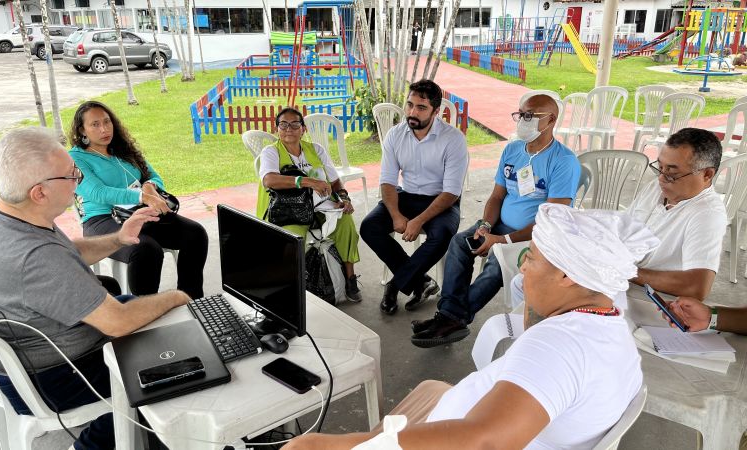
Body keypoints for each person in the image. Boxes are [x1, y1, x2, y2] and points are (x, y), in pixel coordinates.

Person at [284, 204, 657, 449]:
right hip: (470, 415)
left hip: (462, 436)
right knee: (432, 387)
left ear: (566, 275)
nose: (523, 267)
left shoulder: (559, 348)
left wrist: (361, 444)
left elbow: (484, 442)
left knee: (306, 446)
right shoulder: (606, 313)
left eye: (533, 258)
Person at [0, 127, 191, 450]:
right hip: (53, 377)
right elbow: (118, 322)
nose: (78, 181)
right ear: (39, 192)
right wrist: (178, 296)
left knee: (157, 320)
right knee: (183, 367)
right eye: (71, 175)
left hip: (35, 355)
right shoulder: (35, 256)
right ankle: (97, 442)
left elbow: (67, 252)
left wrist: (117, 239)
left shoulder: (5, 213)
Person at [410, 94, 579, 348]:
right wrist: (486, 226)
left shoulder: (563, 161)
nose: (522, 120)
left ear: (551, 119)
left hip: (537, 236)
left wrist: (503, 240)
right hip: (497, 226)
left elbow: (552, 220)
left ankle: (453, 318)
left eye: (530, 116)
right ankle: (448, 316)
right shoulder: (512, 150)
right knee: (459, 244)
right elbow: (497, 195)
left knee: (496, 263)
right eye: (521, 114)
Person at [509, 127, 727, 310]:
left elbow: (698, 286)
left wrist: (623, 270)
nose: (661, 178)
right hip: (620, 279)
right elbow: (622, 228)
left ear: (707, 174)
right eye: (659, 167)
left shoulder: (707, 213)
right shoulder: (657, 188)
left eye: (672, 172)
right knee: (524, 281)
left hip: (646, 296)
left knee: (538, 289)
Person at [69, 100, 208, 298]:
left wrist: (150, 186)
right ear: (82, 130)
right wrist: (142, 195)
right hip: (102, 220)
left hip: (137, 212)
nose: (104, 129)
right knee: (146, 249)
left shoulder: (122, 149)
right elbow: (98, 193)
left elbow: (153, 175)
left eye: (107, 122)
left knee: (195, 234)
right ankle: (144, 311)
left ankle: (190, 299)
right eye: (95, 124)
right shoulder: (76, 158)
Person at [359, 79, 468, 315]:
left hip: (441, 201)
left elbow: (451, 192)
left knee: (441, 235)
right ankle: (420, 281)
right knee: (369, 227)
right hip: (406, 196)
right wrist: (397, 215)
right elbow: (387, 181)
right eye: (409, 105)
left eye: (421, 107)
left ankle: (395, 285)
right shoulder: (395, 135)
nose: (412, 112)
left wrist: (418, 221)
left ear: (436, 111)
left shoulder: (453, 139)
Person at [256, 107, 362, 301]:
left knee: (346, 223)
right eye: (283, 124)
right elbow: (269, 180)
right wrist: (306, 181)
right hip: (287, 211)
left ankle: (350, 278)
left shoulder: (316, 150)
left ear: (303, 129)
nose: (289, 129)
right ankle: (291, 288)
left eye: (295, 124)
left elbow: (335, 181)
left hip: (320, 206)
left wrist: (344, 199)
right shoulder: (271, 152)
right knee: (294, 240)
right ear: (276, 128)